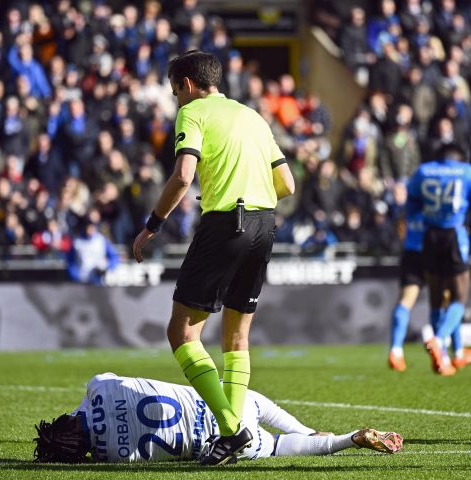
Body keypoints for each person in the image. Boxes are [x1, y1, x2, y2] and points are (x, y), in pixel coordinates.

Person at [131, 50, 296, 465]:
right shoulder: (253, 116)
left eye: (174, 91)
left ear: (186, 84)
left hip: (227, 223)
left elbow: (184, 176)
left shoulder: (193, 113)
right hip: (265, 224)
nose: (176, 99)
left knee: (182, 333)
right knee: (236, 338)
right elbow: (287, 184)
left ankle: (231, 429)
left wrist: (152, 224)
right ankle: (231, 434)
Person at [33, 373, 403, 464]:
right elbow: (105, 384)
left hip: (223, 440)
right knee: (253, 403)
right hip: (228, 402)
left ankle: (345, 439)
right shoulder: (97, 388)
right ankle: (316, 433)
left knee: (274, 449)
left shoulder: (112, 456)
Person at [405, 143, 471, 376]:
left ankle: (452, 355)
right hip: (454, 236)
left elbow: (411, 205)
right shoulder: (467, 171)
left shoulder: (424, 171)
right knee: (459, 297)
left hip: (430, 235)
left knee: (437, 299)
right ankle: (439, 340)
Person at [387, 207, 471, 372]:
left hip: (412, 252)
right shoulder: (435, 195)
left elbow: (400, 224)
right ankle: (450, 354)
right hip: (433, 248)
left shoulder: (413, 195)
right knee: (447, 300)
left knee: (405, 301)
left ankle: (396, 351)